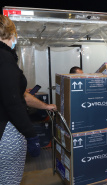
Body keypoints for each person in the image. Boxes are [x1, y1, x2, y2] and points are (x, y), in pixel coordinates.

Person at [0, 15, 57, 184]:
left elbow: (20, 95)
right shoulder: (4, 59)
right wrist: (31, 135)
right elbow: (13, 102)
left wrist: (46, 106)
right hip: (6, 133)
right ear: (11, 34)